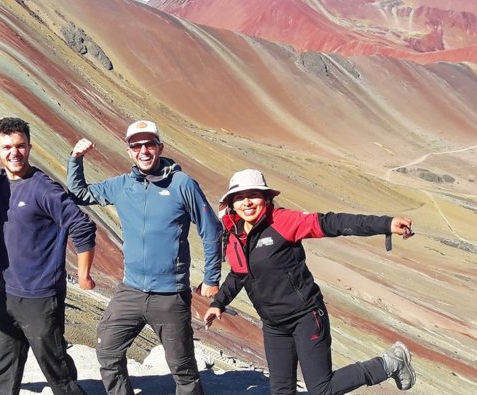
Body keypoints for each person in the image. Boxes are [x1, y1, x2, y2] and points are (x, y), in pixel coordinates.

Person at [204, 169, 416, 395]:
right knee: (282, 391)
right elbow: (239, 272)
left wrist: (385, 224)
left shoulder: (283, 221)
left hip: (306, 316)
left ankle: (390, 362)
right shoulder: (235, 234)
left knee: (321, 389)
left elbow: (332, 223)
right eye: (239, 197)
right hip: (273, 325)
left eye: (253, 195)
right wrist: (219, 303)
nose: (246, 202)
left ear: (266, 198)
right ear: (231, 203)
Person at [66, 120, 223, 395]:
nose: (143, 151)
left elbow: (211, 230)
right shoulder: (122, 185)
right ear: (129, 152)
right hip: (131, 290)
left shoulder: (182, 184)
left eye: (149, 144)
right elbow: (79, 193)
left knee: (183, 368)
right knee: (107, 350)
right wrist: (76, 159)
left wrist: (211, 277)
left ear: (160, 147)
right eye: (136, 146)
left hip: (170, 294)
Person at [0, 118, 96, 395]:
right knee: (2, 368)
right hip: (6, 294)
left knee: (55, 368)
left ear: (30, 147)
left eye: (20, 146)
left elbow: (82, 225)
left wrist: (83, 274)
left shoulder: (44, 188)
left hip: (40, 297)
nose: (14, 152)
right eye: (6, 147)